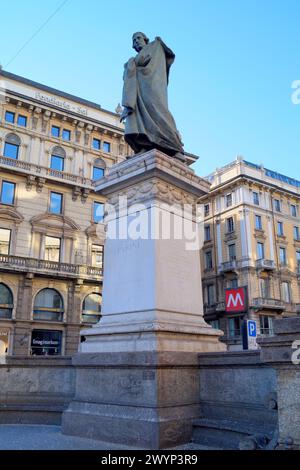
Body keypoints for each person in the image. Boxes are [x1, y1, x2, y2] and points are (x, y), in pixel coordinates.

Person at [120, 32, 185, 162]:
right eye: (134, 40)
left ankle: (176, 148)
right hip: (138, 91)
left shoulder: (155, 46)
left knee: (158, 112)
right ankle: (145, 144)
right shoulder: (135, 57)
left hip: (151, 87)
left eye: (138, 38)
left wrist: (132, 65)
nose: (136, 41)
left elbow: (151, 65)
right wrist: (132, 65)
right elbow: (134, 66)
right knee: (139, 116)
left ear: (145, 39)